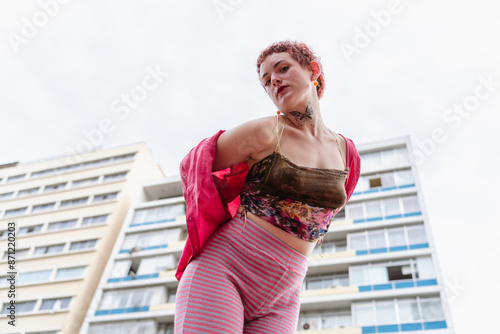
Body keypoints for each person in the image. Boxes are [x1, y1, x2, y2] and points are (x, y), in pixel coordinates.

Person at [174, 41, 361, 334]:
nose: (274, 80)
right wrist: (243, 181)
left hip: (284, 296)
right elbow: (194, 165)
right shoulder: (265, 132)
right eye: (266, 80)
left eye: (283, 68)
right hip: (224, 270)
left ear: (313, 70)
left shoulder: (346, 153)